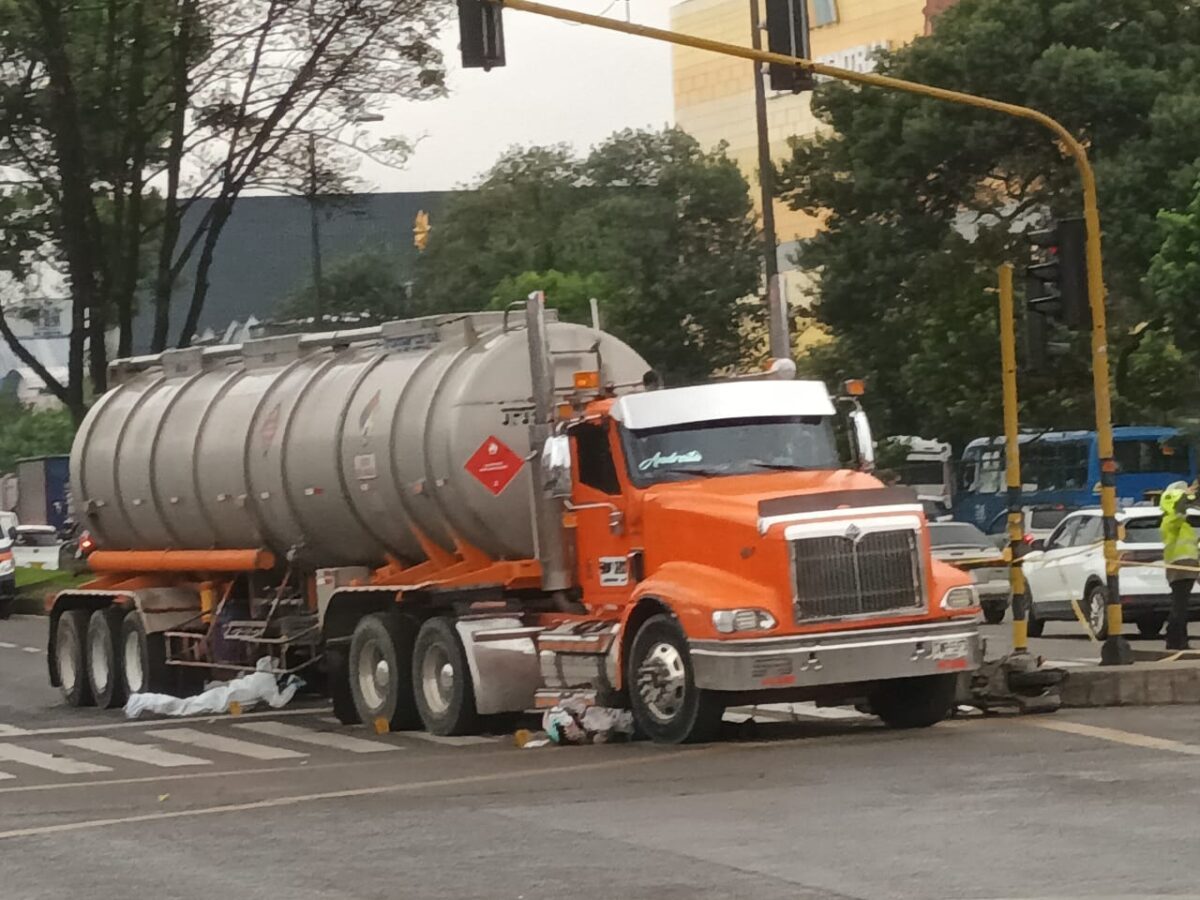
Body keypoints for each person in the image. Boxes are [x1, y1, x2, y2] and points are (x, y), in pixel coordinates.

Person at [1159, 480, 1199, 650]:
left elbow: (1192, 548)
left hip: (1187, 568)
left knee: (1181, 606)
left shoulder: (1183, 525)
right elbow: (1179, 511)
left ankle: (1177, 639)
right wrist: (1188, 493)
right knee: (1179, 606)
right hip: (1179, 569)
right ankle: (1176, 640)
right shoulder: (1170, 521)